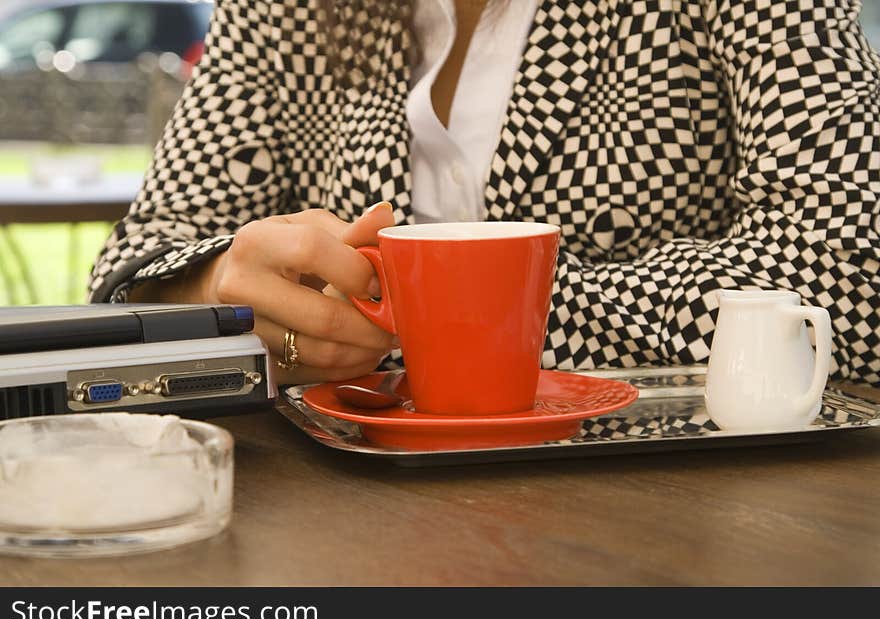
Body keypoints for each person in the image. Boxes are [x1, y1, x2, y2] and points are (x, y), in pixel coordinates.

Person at [89, 0, 880, 386]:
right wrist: (218, 289)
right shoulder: (286, 10)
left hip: (660, 528)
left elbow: (852, 267)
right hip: (338, 519)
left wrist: (440, 321)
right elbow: (131, 267)